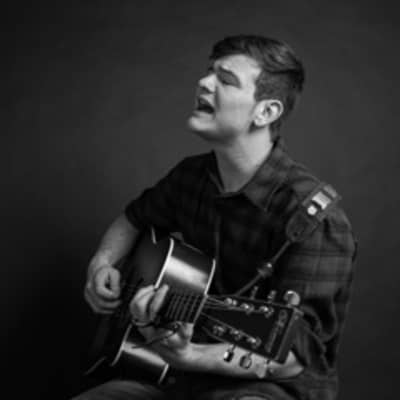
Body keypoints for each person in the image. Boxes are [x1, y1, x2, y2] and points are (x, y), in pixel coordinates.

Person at [78, 35, 356, 400]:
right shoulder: (191, 177)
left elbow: (291, 357)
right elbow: (133, 220)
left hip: (267, 388)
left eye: (225, 80)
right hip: (173, 376)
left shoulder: (312, 218)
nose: (203, 82)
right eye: (209, 72)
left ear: (265, 112)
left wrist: (191, 354)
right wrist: (101, 264)